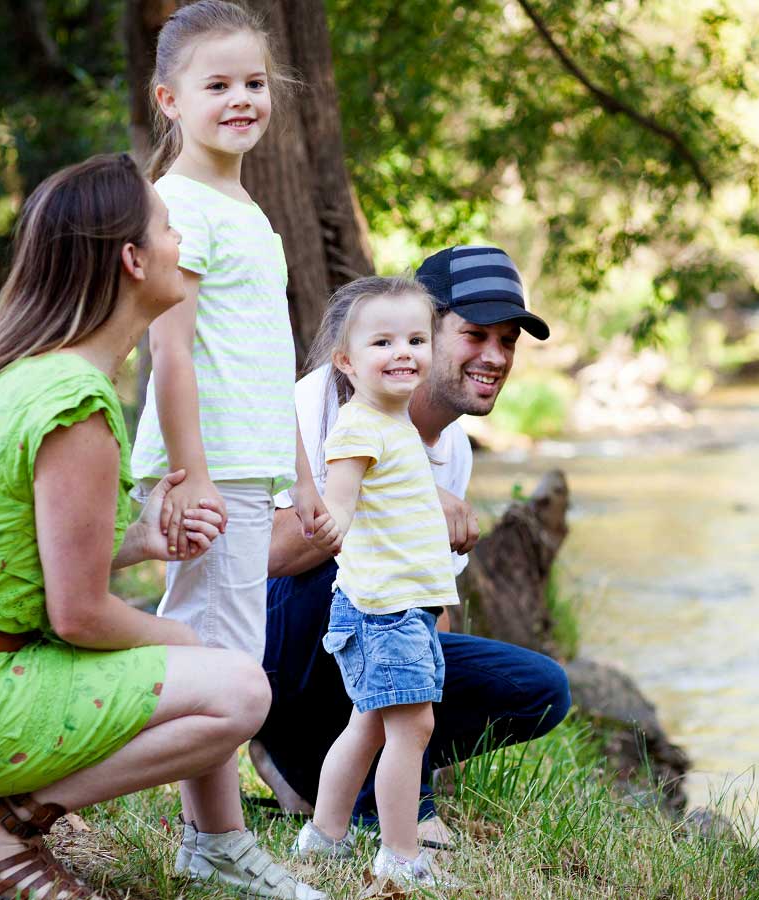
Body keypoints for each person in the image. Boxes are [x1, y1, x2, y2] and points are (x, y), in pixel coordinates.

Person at [0, 153, 281, 900]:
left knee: (210, 666)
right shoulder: (75, 401)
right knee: (237, 689)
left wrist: (137, 545)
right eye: (168, 229)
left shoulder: (25, 371)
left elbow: (14, 563)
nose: (181, 245)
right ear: (132, 260)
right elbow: (77, 617)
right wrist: (187, 641)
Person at [255, 246, 572, 849]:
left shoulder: (455, 448)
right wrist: (409, 499)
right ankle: (291, 748)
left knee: (541, 689)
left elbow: (430, 600)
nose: (496, 357)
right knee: (343, 581)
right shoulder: (317, 404)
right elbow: (267, 557)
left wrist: (417, 728)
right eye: (476, 334)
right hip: (281, 646)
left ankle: (360, 775)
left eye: (508, 341)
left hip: (371, 647)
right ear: (424, 331)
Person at [130, 2, 330, 897]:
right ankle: (214, 840)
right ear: (169, 99)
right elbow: (169, 349)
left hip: (249, 467)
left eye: (254, 83)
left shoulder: (242, 203)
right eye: (219, 85)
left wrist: (301, 474)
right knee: (222, 667)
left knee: (223, 658)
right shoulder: (179, 205)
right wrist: (191, 471)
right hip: (205, 465)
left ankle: (212, 838)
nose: (242, 99)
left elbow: (262, 355)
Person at [284, 276, 462, 887]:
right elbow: (341, 503)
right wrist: (323, 521)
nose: (403, 352)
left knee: (366, 723)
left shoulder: (396, 423)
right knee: (412, 728)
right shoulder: (359, 427)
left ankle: (325, 835)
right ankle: (400, 853)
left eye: (415, 338)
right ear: (346, 362)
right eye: (382, 342)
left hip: (400, 604)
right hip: (381, 607)